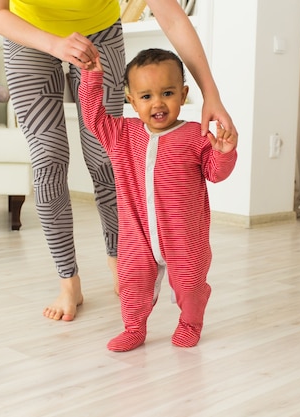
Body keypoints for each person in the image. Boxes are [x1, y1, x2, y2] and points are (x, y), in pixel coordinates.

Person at [0, 0, 237, 322]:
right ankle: (68, 282)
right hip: (28, 35)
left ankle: (121, 263)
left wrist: (210, 93)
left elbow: (172, 18)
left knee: (106, 159)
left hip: (100, 32)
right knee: (48, 160)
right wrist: (55, 44)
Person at [79, 48, 237, 351]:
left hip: (184, 238)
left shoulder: (196, 135)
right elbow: (92, 116)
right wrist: (90, 77)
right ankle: (134, 328)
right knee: (132, 284)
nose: (158, 103)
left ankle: (191, 322)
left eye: (167, 93)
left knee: (190, 286)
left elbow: (215, 174)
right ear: (132, 100)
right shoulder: (121, 133)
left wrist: (224, 152)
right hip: (136, 234)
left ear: (183, 94)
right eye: (147, 96)